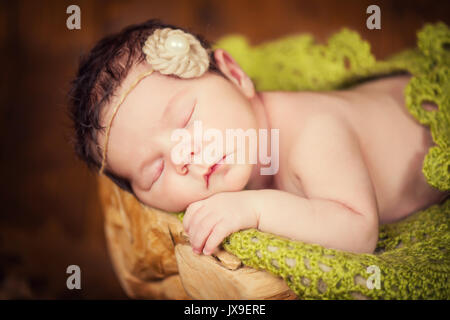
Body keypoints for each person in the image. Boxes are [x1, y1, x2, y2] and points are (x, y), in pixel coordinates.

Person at [68, 19, 448, 257]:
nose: (183, 154)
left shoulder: (313, 133)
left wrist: (253, 210)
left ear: (235, 75)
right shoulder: (249, 150)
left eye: (186, 119)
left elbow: (359, 230)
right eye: (154, 171)